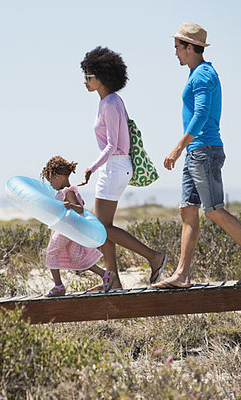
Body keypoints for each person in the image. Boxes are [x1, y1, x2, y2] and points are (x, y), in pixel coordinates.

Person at [154, 23, 241, 289]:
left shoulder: (203, 75)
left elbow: (202, 115)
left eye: (177, 48)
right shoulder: (196, 73)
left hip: (204, 150)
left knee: (214, 211)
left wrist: (177, 147)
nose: (175, 53)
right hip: (196, 152)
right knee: (188, 211)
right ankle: (182, 275)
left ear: (189, 48)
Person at [79, 46, 168, 292]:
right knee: (101, 227)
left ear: (102, 76)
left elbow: (113, 145)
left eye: (88, 76)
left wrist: (91, 167)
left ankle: (153, 257)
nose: (84, 81)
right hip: (114, 168)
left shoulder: (110, 103)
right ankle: (113, 280)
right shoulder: (109, 101)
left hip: (114, 167)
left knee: (102, 228)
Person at [41, 155, 106, 297]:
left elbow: (79, 209)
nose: (51, 184)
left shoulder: (68, 192)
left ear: (59, 177)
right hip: (73, 228)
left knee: (51, 252)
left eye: (51, 180)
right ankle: (106, 276)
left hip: (67, 228)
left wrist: (68, 206)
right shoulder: (67, 191)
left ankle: (58, 286)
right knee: (77, 257)